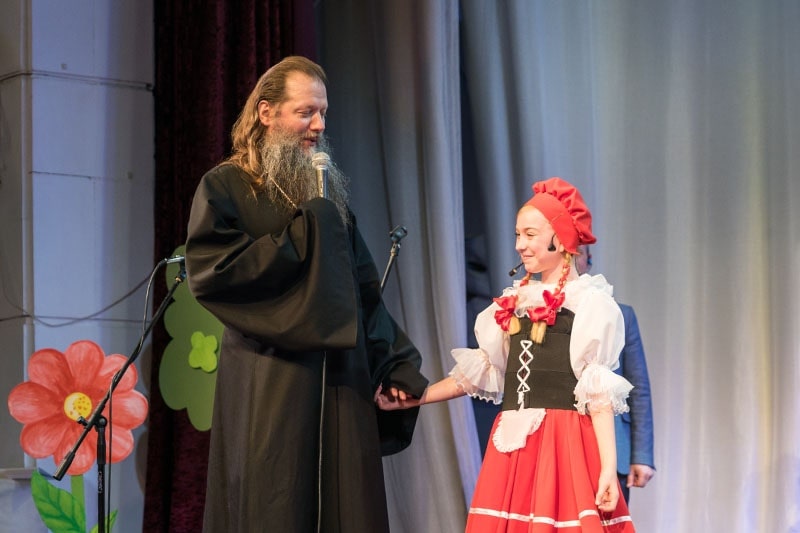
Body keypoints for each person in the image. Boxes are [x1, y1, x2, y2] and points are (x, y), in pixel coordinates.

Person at [184, 55, 429, 533]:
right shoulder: (226, 186)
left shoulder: (326, 197)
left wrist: (394, 362)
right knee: (274, 505)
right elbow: (217, 272)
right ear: (267, 112)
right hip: (271, 380)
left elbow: (363, 293)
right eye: (305, 112)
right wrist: (304, 234)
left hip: (341, 382)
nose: (319, 125)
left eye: (323, 113)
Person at [378, 177, 636, 532]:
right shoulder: (513, 304)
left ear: (560, 238)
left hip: (562, 445)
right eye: (517, 235)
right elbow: (479, 372)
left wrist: (608, 467)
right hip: (514, 447)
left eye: (530, 234)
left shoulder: (589, 304)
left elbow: (599, 396)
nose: (520, 245)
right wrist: (419, 398)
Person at [575, 244, 655, 503]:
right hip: (564, 442)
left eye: (578, 251)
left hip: (613, 446)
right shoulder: (541, 312)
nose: (570, 257)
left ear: (589, 259)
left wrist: (642, 455)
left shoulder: (619, 315)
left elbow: (637, 387)